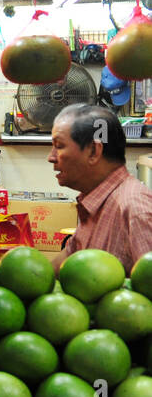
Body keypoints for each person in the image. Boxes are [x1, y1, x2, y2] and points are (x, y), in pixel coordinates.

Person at [49, 104, 152, 272]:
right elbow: (63, 263)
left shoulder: (135, 209)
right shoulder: (95, 201)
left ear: (93, 151)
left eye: (59, 146)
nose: (51, 157)